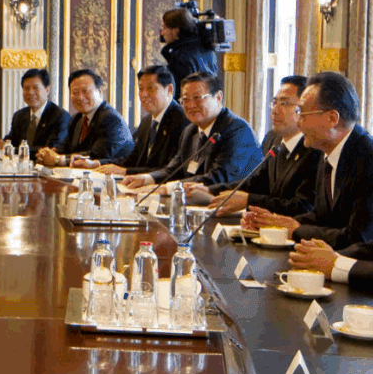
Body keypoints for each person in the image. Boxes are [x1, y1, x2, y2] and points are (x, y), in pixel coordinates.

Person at [243, 71, 373, 249]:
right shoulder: (327, 151)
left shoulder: (367, 158)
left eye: (303, 113)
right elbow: (321, 217)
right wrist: (276, 224)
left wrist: (297, 230)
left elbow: (358, 237)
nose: (298, 122)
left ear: (332, 119)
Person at [188, 75, 320, 215]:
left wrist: (249, 200)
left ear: (303, 108)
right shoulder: (273, 139)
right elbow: (256, 183)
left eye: (284, 103)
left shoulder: (315, 148)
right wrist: (211, 190)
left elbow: (304, 206)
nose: (275, 110)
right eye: (274, 102)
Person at [125, 72, 262, 189]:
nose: (190, 105)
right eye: (185, 99)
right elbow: (174, 169)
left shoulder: (237, 131)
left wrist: (168, 188)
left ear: (218, 98)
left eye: (197, 98)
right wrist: (146, 178)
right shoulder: (190, 131)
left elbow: (218, 178)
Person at [75, 65, 189, 175]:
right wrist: (97, 163)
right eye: (141, 89)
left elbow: (169, 170)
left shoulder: (182, 120)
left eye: (150, 88)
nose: (144, 94)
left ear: (169, 90)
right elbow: (132, 159)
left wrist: (126, 172)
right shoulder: (147, 121)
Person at [36, 69, 133, 166]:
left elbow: (96, 156)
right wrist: (47, 153)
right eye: (75, 93)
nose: (80, 97)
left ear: (100, 91)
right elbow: (63, 148)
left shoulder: (112, 119)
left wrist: (58, 159)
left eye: (85, 91)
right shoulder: (76, 119)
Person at [3, 68, 70, 152]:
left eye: (36, 88)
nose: (30, 92)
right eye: (26, 88)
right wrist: (3, 144)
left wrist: (15, 150)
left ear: (47, 90)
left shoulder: (60, 116)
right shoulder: (19, 116)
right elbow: (13, 140)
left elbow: (50, 149)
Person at [159, 7, 217, 100]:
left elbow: (177, 95)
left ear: (176, 31)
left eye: (164, 28)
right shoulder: (208, 49)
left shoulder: (180, 57)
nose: (162, 33)